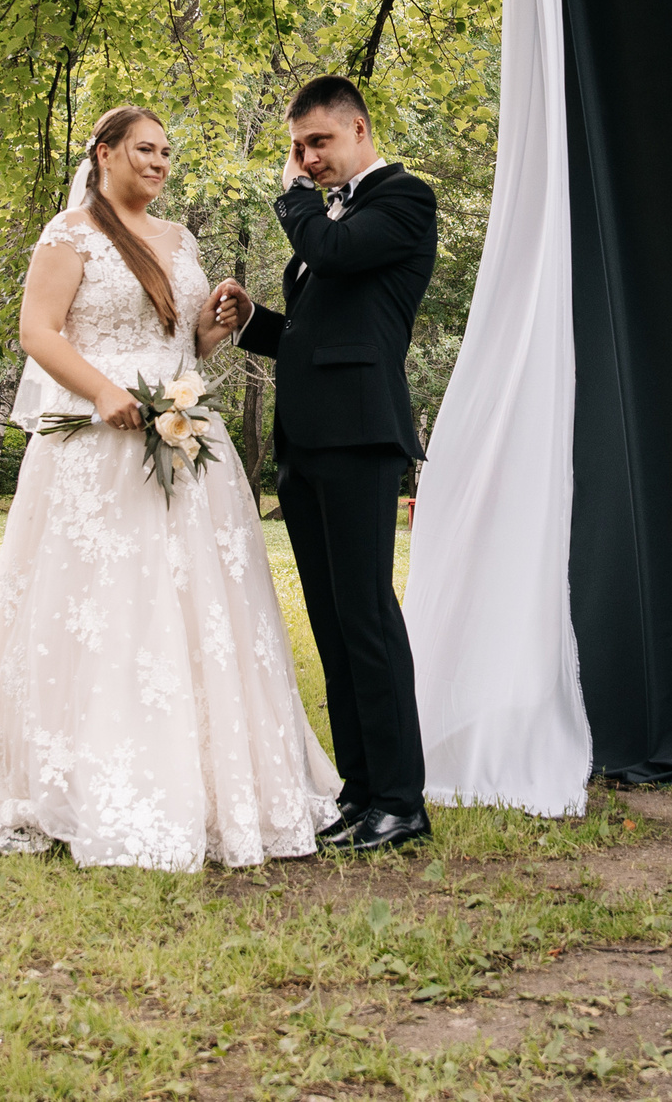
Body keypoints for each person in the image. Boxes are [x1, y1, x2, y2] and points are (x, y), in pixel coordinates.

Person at [0, 105, 342, 869]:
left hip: (183, 436)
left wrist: (213, 327)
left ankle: (211, 779)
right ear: (106, 152)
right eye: (146, 149)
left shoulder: (179, 238)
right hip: (102, 444)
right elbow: (39, 331)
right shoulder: (70, 235)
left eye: (167, 151)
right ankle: (85, 778)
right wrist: (100, 392)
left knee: (194, 607)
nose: (160, 162)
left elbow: (176, 338)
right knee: (107, 604)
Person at [213, 75, 440, 853]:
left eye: (318, 142)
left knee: (368, 617)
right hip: (306, 443)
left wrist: (293, 200)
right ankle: (361, 791)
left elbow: (332, 251)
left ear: (360, 130)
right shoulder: (329, 221)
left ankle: (403, 800)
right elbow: (319, 330)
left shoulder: (405, 201)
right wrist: (253, 323)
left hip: (360, 440)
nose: (305, 159)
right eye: (296, 147)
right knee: (335, 626)